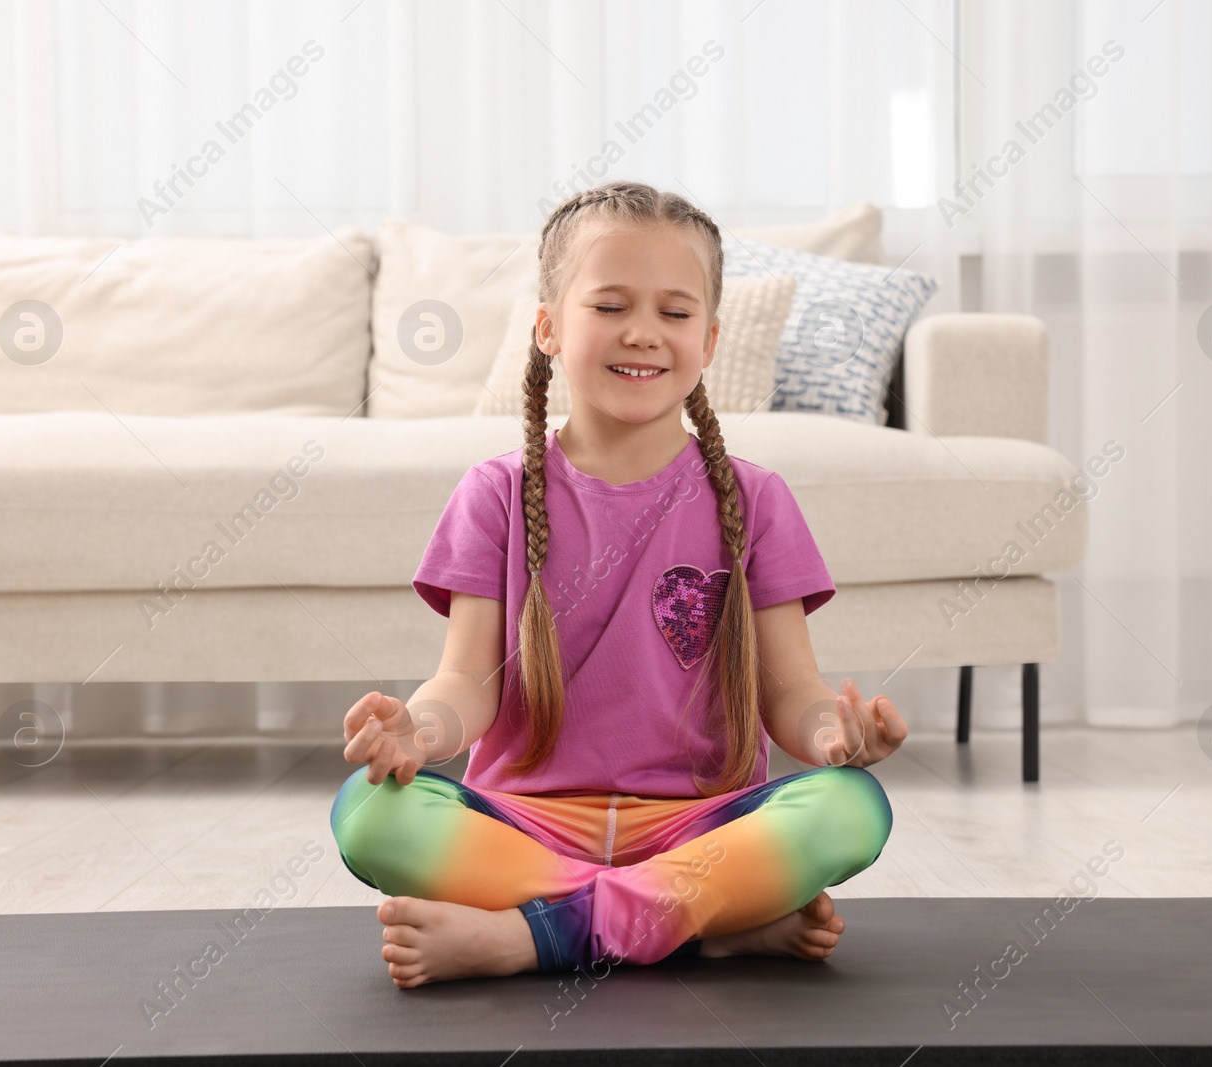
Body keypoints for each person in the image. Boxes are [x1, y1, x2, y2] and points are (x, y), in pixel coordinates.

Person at [330, 180, 906, 990]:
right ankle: (702, 930)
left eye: (674, 313)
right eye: (609, 305)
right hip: (526, 828)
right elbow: (466, 682)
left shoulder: (757, 498)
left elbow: (793, 693)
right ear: (547, 328)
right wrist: (416, 734)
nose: (643, 332)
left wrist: (835, 737)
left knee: (853, 808)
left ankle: (535, 937)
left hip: (697, 829)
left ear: (708, 341)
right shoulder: (493, 493)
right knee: (367, 809)